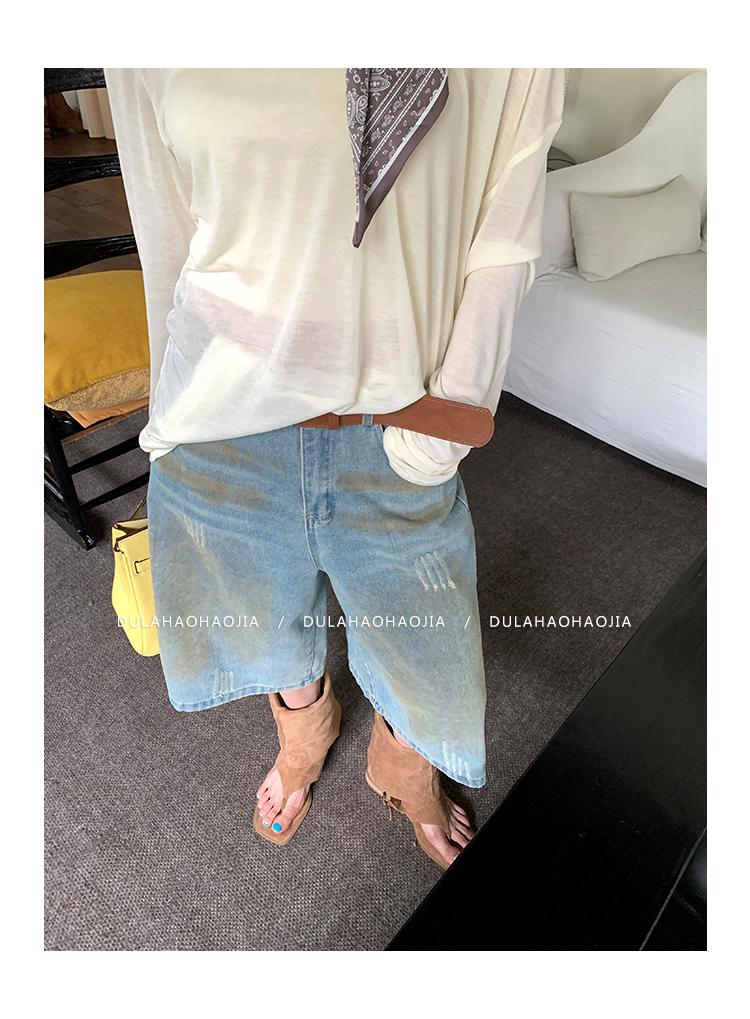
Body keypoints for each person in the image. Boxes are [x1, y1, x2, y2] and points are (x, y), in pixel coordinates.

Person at [104, 68, 565, 869]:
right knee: (262, 627)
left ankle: (403, 768)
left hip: (400, 426)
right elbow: (168, 233)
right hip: (222, 421)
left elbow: (505, 229)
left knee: (429, 658)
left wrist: (444, 426)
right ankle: (305, 735)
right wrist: (170, 419)